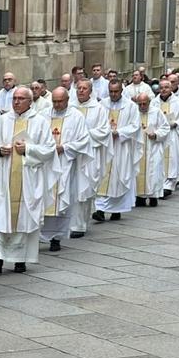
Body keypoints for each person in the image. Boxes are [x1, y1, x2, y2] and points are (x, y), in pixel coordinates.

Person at [0, 87, 56, 273]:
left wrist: (29, 149)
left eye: (21, 98)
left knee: (24, 218)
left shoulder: (39, 122)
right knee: (0, 217)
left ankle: (20, 260)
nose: (16, 102)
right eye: (14, 98)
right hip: (3, 178)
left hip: (28, 179)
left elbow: (49, 150)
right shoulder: (2, 120)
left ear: (30, 101)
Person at [41, 87, 92, 252]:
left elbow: (84, 141)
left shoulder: (76, 117)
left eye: (60, 101)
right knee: (43, 198)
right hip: (46, 165)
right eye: (54, 101)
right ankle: (39, 235)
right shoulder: (43, 115)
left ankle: (56, 237)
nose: (56, 105)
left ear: (67, 100)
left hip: (65, 164)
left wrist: (65, 148)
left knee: (62, 199)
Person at [93, 80, 141, 222]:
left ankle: (117, 209)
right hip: (105, 147)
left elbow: (135, 126)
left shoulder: (131, 106)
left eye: (116, 91)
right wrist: (105, 133)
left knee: (120, 177)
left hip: (121, 147)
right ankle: (100, 209)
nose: (113, 94)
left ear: (121, 91)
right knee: (101, 175)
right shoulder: (102, 105)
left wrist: (119, 132)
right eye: (111, 91)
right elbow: (96, 123)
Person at [69, 80, 110, 239]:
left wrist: (84, 135)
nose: (81, 91)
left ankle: (80, 224)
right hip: (72, 154)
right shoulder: (70, 108)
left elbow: (103, 131)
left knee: (84, 188)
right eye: (78, 88)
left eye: (84, 88)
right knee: (72, 189)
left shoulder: (98, 109)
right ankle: (71, 223)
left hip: (89, 155)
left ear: (90, 91)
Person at [132, 92, 172, 208]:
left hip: (153, 147)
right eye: (140, 104)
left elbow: (165, 127)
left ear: (149, 102)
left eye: (145, 104)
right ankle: (140, 197)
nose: (142, 106)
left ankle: (153, 196)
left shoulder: (156, 112)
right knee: (138, 171)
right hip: (138, 148)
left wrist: (156, 135)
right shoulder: (134, 112)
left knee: (154, 172)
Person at [155, 79, 179, 197]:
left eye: (166, 87)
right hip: (159, 136)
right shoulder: (154, 103)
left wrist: (177, 123)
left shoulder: (178, 102)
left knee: (172, 159)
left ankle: (169, 185)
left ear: (171, 88)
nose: (163, 90)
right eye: (161, 87)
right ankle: (159, 184)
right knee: (159, 159)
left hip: (172, 135)